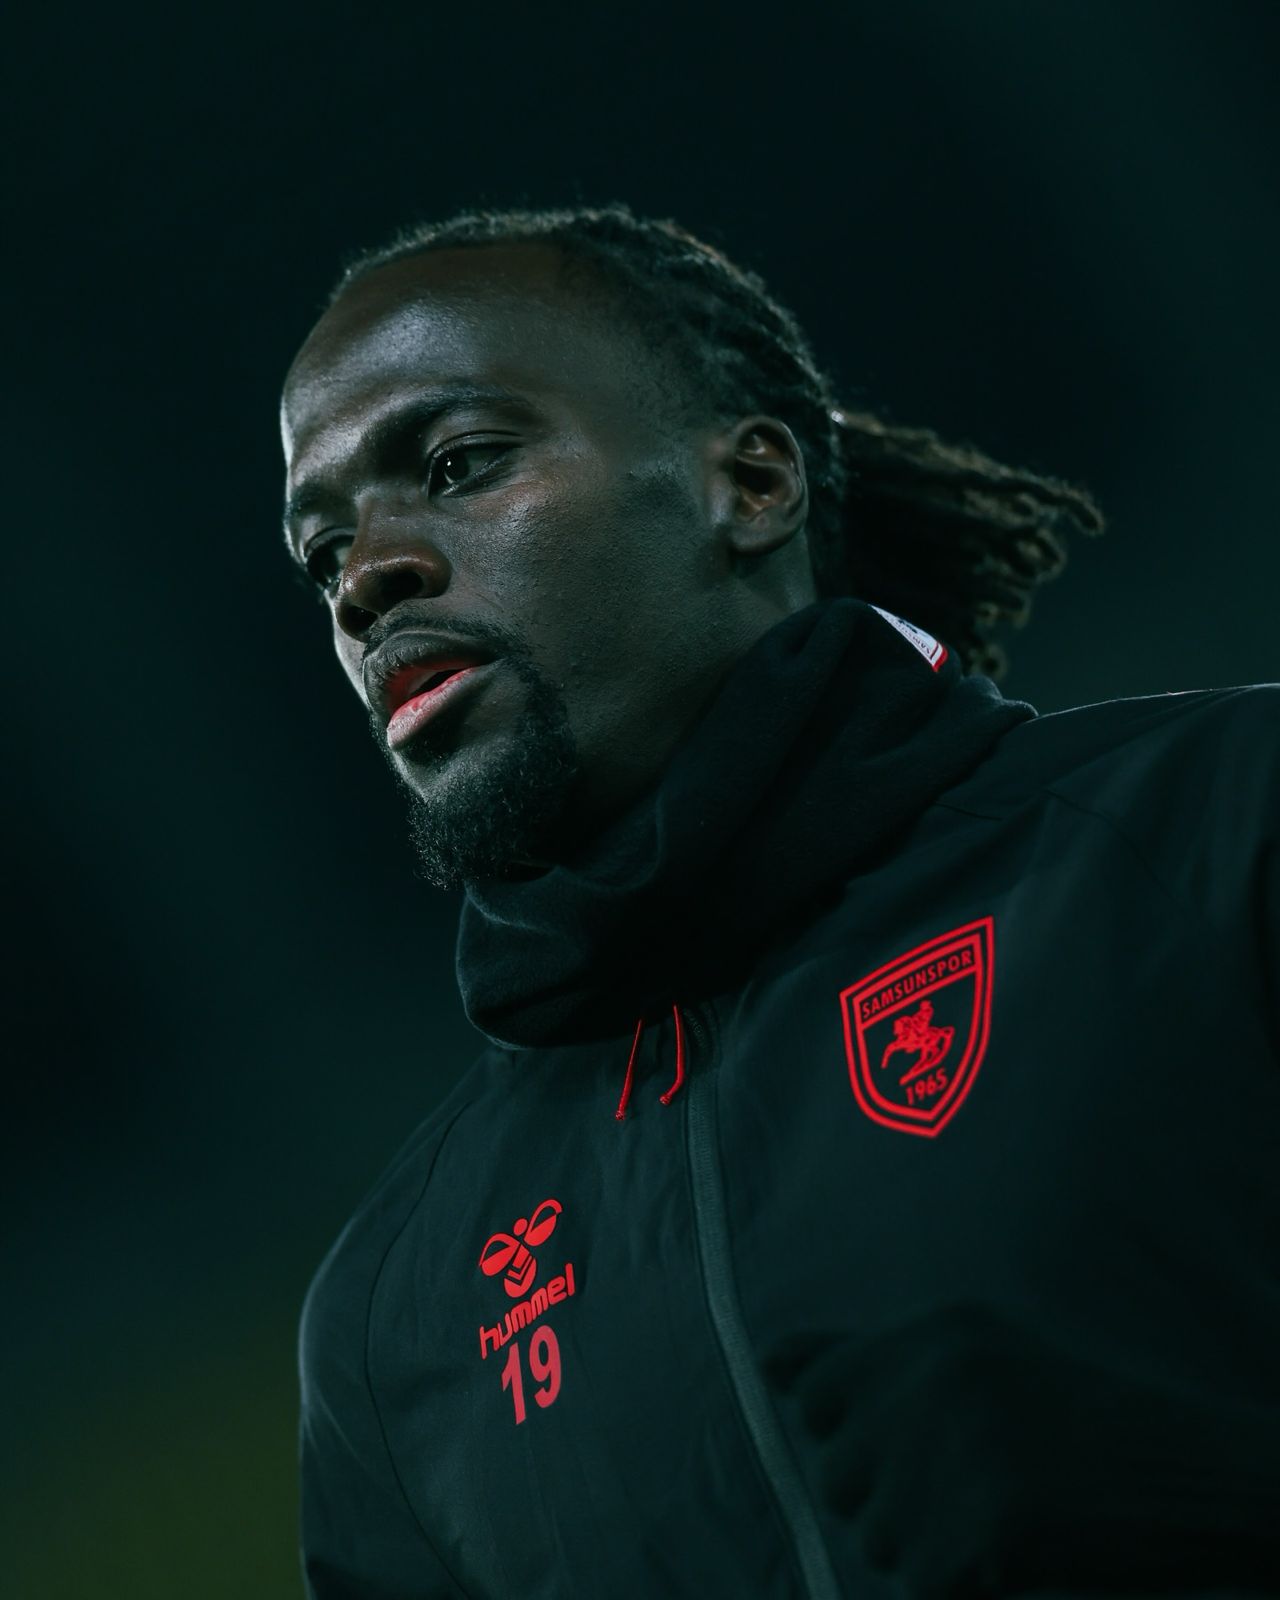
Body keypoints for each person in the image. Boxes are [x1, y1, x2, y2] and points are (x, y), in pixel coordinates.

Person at [280, 203, 1279, 1599]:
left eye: (458, 464)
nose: (367, 580)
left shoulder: (1214, 826)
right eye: (324, 551)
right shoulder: (392, 1325)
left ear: (750, 486)